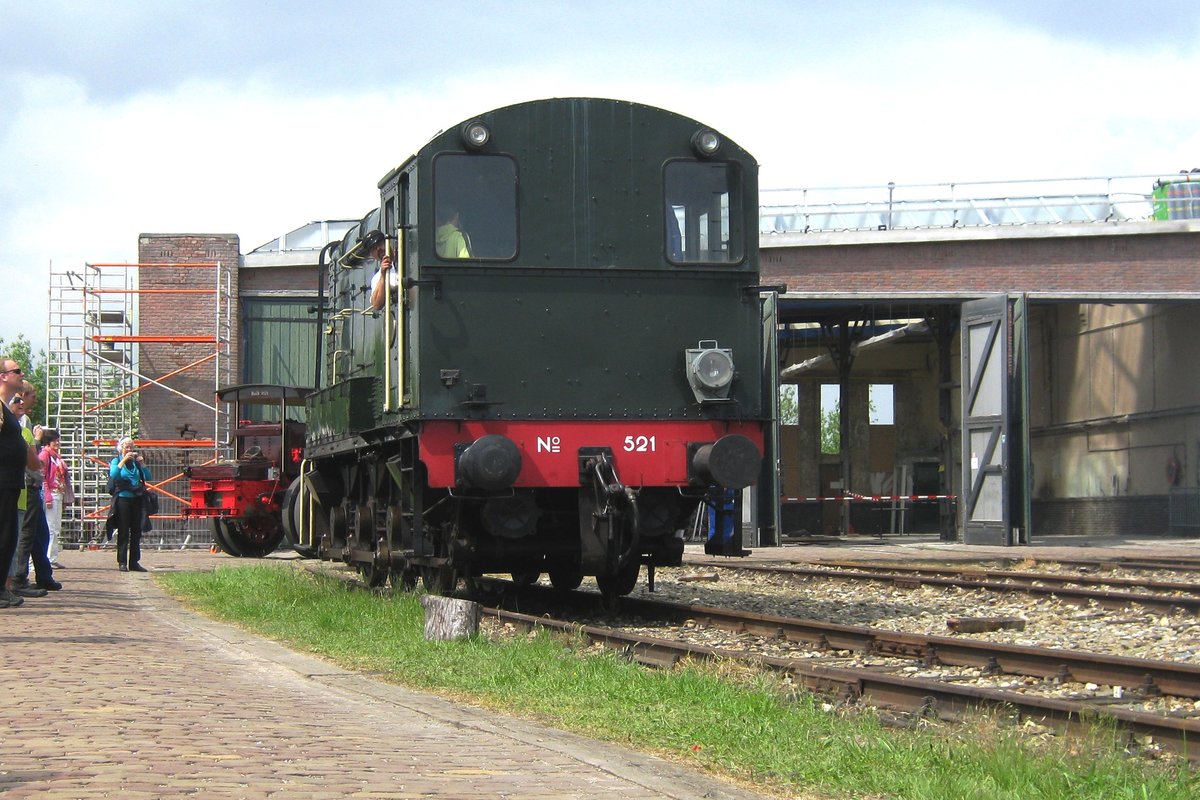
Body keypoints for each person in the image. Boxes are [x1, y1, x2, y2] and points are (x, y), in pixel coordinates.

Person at [9, 383, 58, 593]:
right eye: (31, 396)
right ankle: (18, 578)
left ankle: (44, 575)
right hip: (26, 486)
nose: (31, 401)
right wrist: (37, 444)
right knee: (26, 533)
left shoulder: (24, 421)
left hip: (31, 485)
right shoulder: (19, 423)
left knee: (40, 533)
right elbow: (27, 455)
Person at [0, 359, 40, 608]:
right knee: (4, 535)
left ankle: (3, 589)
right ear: (3, 376)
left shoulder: (8, 409)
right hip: (2, 481)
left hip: (11, 483)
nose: (21, 374)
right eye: (16, 371)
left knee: (8, 537)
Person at [109, 436, 151, 572]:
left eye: (131, 447)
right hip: (123, 499)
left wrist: (142, 464)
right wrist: (124, 460)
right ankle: (122, 562)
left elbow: (148, 477)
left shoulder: (135, 464)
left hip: (137, 499)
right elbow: (114, 474)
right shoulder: (116, 461)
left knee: (136, 532)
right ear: (121, 448)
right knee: (123, 531)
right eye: (127, 447)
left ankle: (134, 562)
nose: (130, 449)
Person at [40, 429, 72, 569]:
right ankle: (47, 558)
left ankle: (52, 557)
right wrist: (47, 496)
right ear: (48, 442)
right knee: (50, 527)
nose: (58, 442)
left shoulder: (56, 456)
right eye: (55, 440)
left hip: (58, 494)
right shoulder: (45, 455)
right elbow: (43, 477)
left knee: (55, 527)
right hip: (51, 494)